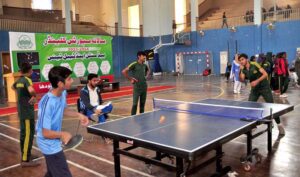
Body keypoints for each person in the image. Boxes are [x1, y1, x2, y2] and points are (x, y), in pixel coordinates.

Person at [36, 66, 89, 177]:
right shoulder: (47, 103)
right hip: (48, 143)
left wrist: (78, 115)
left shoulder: (62, 93)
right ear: (60, 83)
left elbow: (63, 109)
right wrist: (63, 134)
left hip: (54, 139)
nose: (72, 80)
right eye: (69, 79)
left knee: (52, 172)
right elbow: (45, 133)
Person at [238, 53, 285, 136]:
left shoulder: (254, 64)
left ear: (247, 59)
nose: (241, 61)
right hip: (255, 90)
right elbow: (241, 79)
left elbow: (265, 74)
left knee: (271, 106)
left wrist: (257, 81)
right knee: (249, 106)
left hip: (264, 87)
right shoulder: (244, 69)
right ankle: (253, 126)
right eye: (240, 60)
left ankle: (279, 124)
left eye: (242, 59)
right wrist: (240, 70)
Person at [12, 62, 40, 167]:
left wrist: (22, 96)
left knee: (24, 134)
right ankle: (25, 160)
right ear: (29, 71)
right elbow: (31, 90)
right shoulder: (27, 80)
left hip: (21, 111)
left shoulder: (19, 80)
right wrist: (33, 95)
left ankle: (26, 154)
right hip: (27, 112)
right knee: (28, 134)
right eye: (32, 70)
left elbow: (13, 87)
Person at [122, 51, 150, 115]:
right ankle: (132, 117)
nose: (145, 57)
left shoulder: (144, 65)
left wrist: (146, 76)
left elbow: (148, 70)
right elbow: (124, 71)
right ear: (139, 56)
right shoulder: (134, 64)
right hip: (137, 88)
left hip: (144, 87)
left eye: (145, 56)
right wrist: (130, 79)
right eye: (143, 56)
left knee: (142, 104)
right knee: (135, 104)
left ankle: (142, 117)